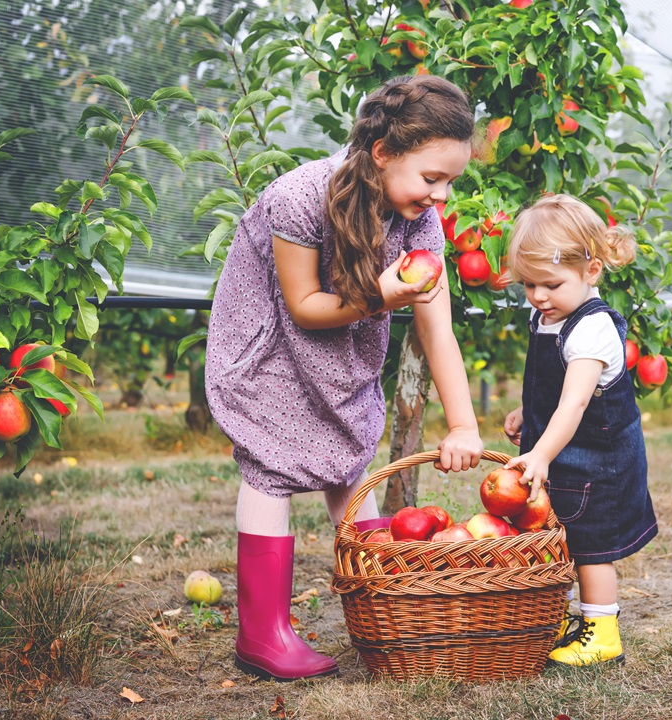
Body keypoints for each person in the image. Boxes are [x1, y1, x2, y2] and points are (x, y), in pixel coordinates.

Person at [204, 75, 484, 682]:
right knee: (270, 468)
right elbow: (304, 305)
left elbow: (438, 330)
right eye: (431, 178)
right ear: (383, 152)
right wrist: (381, 296)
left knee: (350, 451)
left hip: (341, 354)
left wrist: (463, 423)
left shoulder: (419, 225)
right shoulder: (301, 196)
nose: (440, 196)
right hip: (269, 347)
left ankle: (378, 601)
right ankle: (263, 632)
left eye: (451, 182)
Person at [501, 193, 657, 667]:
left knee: (591, 546)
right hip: (563, 449)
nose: (538, 296)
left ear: (591, 271)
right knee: (557, 535)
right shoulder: (547, 315)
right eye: (528, 285)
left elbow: (575, 401)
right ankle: (568, 619)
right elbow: (553, 388)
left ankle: (602, 631)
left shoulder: (592, 328)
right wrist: (529, 412)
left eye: (549, 284)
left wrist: (542, 452)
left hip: (597, 460)